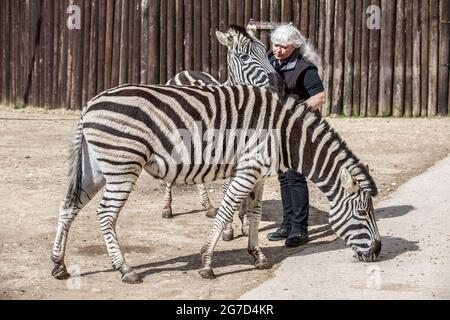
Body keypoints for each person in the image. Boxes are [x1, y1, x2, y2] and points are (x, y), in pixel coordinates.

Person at [266, 24, 326, 247]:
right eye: (275, 45)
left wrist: (295, 111)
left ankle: (300, 230)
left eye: (283, 46)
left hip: (301, 127)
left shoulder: (304, 68)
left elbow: (319, 98)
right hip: (279, 127)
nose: (278, 50)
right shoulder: (270, 60)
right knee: (282, 175)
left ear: (295, 46)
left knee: (295, 176)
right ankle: (287, 224)